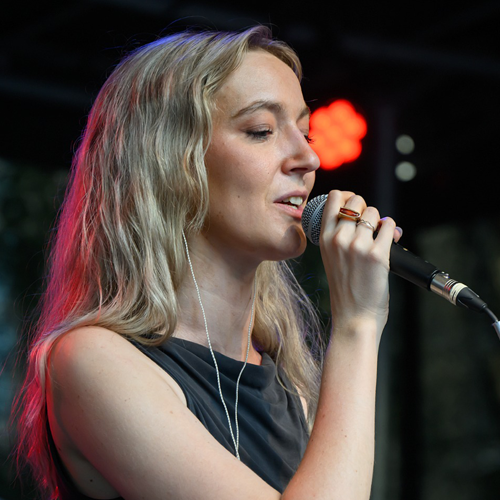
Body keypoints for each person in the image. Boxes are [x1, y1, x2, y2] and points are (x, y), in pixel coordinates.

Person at [14, 26, 402, 500]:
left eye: (306, 133)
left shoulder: (287, 387)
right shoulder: (92, 362)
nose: (309, 157)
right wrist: (358, 324)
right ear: (172, 162)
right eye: (261, 131)